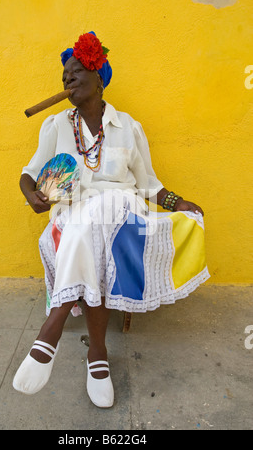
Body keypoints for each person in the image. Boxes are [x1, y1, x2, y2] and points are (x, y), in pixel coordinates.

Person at [13, 32, 209, 407]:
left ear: (99, 79)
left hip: (123, 214)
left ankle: (51, 332)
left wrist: (178, 201)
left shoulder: (128, 127)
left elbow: (149, 185)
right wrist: (31, 195)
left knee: (105, 209)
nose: (68, 80)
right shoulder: (55, 126)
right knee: (88, 224)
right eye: (64, 77)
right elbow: (29, 173)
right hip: (73, 218)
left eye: (75, 72)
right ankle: (97, 354)